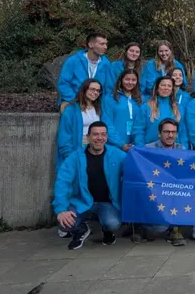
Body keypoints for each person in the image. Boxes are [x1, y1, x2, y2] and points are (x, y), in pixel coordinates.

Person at [53, 121, 125, 250]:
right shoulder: (75, 157)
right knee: (65, 223)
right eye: (95, 134)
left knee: (113, 223)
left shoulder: (117, 155)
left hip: (107, 203)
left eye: (103, 134)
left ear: (107, 137)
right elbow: (62, 182)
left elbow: (136, 166)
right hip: (82, 203)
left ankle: (107, 230)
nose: (99, 138)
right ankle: (82, 229)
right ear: (88, 137)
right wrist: (61, 209)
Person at [138, 119, 186, 246]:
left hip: (173, 191)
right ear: (159, 134)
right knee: (159, 228)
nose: (170, 135)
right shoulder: (148, 149)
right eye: (166, 132)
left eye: (173, 132)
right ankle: (140, 224)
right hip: (154, 192)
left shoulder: (182, 149)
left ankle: (175, 229)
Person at [57, 79, 106, 170]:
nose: (95, 92)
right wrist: (72, 158)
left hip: (96, 149)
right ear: (84, 90)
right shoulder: (71, 110)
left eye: (98, 90)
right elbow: (64, 137)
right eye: (92, 89)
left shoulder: (99, 108)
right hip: (78, 149)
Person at [58, 33, 112, 109]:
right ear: (91, 45)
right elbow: (63, 84)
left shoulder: (107, 65)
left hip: (96, 102)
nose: (105, 47)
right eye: (102, 44)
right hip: (73, 100)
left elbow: (108, 88)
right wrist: (75, 100)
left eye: (106, 44)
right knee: (68, 110)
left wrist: (101, 103)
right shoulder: (73, 61)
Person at [133, 76, 188, 149]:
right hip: (151, 150)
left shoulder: (179, 108)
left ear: (172, 90)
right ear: (157, 88)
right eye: (163, 85)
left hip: (173, 151)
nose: (166, 88)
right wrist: (141, 149)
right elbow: (138, 130)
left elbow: (182, 132)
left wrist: (185, 150)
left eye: (169, 86)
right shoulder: (146, 107)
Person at [102, 70, 143, 151]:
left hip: (136, 146)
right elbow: (107, 124)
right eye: (127, 79)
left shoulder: (140, 99)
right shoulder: (109, 98)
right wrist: (121, 144)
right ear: (120, 80)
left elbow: (141, 125)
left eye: (133, 80)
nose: (130, 82)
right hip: (115, 146)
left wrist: (138, 143)